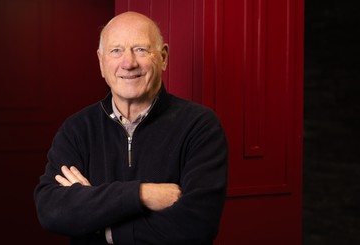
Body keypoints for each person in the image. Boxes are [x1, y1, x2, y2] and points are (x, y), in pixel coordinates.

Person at [34, 11, 228, 245]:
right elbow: (51, 210)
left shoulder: (200, 126)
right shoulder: (77, 129)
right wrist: (141, 194)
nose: (129, 63)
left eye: (140, 49)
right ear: (101, 62)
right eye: (116, 51)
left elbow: (197, 226)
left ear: (163, 57)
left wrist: (100, 224)